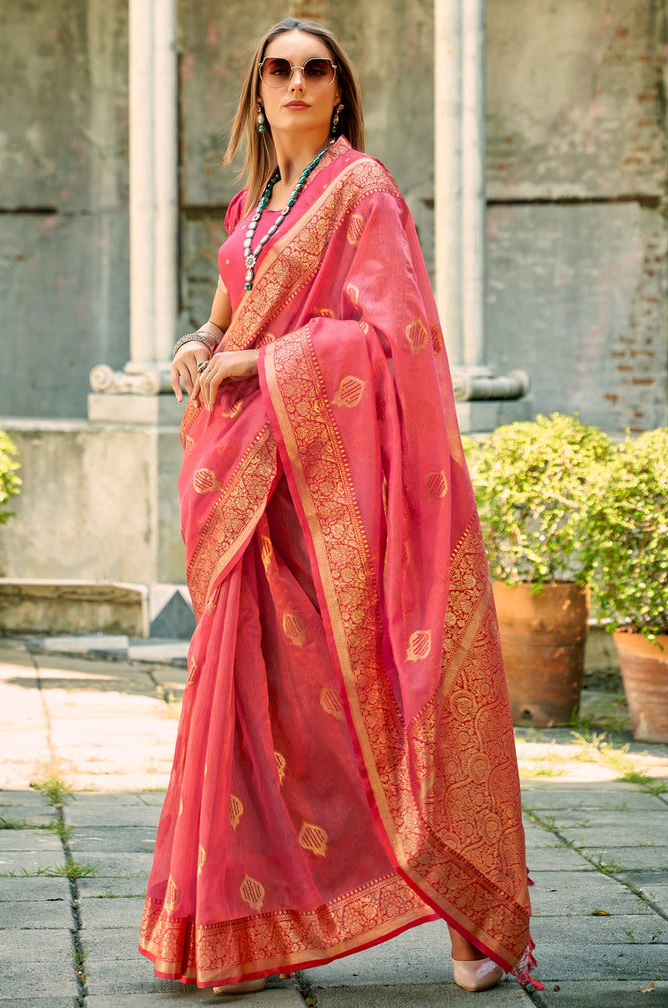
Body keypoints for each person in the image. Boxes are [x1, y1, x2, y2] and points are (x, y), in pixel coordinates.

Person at [139, 17, 536, 996]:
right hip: (255, 505)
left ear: (340, 90)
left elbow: (394, 338)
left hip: (334, 508)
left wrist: (261, 363)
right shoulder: (256, 202)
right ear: (258, 87)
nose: (297, 82)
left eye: (316, 69)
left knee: (390, 697)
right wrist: (201, 341)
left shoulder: (363, 192)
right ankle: (244, 932)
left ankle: (469, 917)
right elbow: (232, 309)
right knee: (260, 712)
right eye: (279, 68)